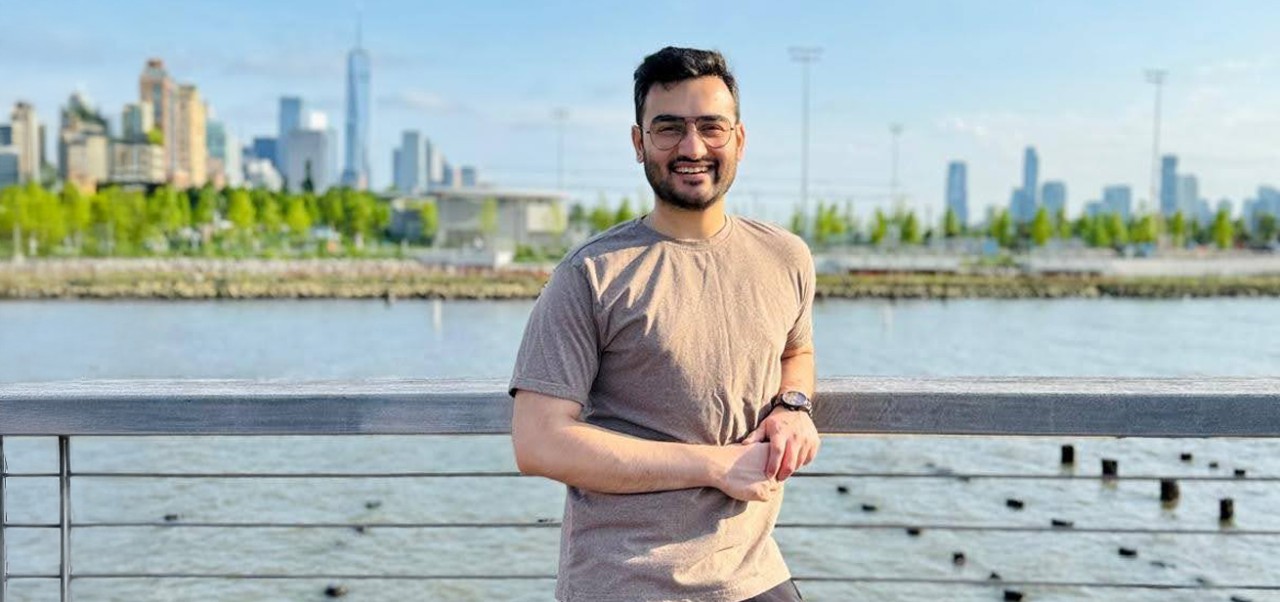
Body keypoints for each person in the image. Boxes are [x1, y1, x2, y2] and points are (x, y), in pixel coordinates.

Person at [509, 46, 819, 602]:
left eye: (711, 127)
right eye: (669, 128)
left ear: (739, 140)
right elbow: (538, 442)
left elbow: (796, 350)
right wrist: (716, 466)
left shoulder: (786, 256)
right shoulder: (589, 275)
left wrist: (794, 407)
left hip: (754, 571)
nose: (692, 147)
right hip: (626, 581)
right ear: (639, 143)